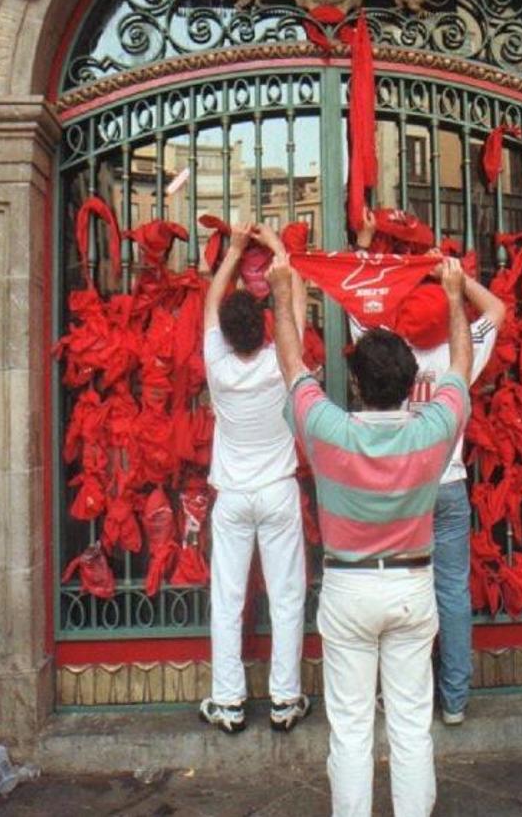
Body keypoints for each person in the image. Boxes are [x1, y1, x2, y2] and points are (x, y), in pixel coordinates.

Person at [267, 251, 473, 817]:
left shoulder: (329, 430)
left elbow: (290, 366)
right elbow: (459, 364)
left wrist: (283, 292)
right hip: (412, 588)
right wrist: (454, 299)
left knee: (351, 731)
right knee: (411, 728)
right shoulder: (434, 431)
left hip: (349, 590)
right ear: (413, 385)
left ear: (355, 384)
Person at [357, 212, 506, 726]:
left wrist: (370, 245)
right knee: (452, 591)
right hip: (448, 487)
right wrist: (455, 281)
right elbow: (498, 310)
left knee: (397, 591)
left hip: (399, 488)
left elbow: (359, 300)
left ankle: (402, 695)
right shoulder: (456, 353)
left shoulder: (385, 350)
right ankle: (456, 699)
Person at [199, 221, 310, 734]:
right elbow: (296, 304)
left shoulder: (217, 365)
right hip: (278, 491)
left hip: (234, 496)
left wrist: (236, 250)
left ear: (224, 333)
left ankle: (228, 702)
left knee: (227, 597)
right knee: (287, 595)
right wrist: (278, 249)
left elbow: (211, 301)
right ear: (265, 329)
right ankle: (285, 700)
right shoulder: (280, 364)